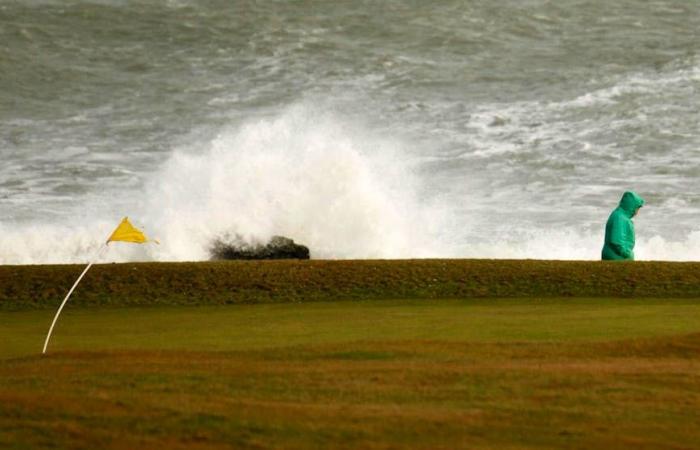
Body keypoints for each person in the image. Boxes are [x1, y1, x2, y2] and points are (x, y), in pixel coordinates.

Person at [601, 191, 645, 261]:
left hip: (617, 254)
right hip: (617, 256)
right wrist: (627, 254)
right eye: (637, 208)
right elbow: (616, 241)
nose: (637, 212)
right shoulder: (619, 218)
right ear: (631, 206)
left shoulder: (620, 216)